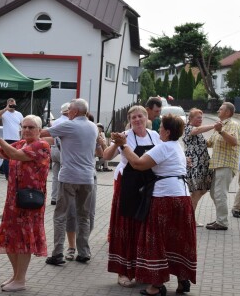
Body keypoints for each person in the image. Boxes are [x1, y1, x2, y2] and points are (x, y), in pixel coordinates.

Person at [113, 113, 196, 296]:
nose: (158, 131)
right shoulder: (177, 147)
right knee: (179, 239)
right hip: (183, 197)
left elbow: (137, 164)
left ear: (167, 132)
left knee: (157, 240)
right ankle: (183, 280)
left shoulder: (164, 147)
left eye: (161, 128)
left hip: (164, 197)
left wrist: (123, 145)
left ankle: (156, 286)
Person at [0, 115, 50, 292]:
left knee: (24, 239)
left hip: (29, 203)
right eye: (25, 127)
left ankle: (21, 279)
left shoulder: (41, 145)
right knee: (12, 238)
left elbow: (13, 154)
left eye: (31, 127)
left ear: (39, 130)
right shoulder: (22, 143)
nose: (27, 130)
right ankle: (16, 276)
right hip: (14, 201)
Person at [102, 105, 161, 287]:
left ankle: (142, 270)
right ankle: (123, 272)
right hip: (128, 185)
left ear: (146, 117)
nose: (137, 120)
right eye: (133, 117)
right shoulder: (124, 136)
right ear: (129, 120)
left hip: (149, 185)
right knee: (126, 227)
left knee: (144, 228)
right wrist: (116, 144)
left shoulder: (155, 135)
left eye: (139, 116)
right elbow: (106, 155)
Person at [42, 98, 98, 265]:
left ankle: (58, 253)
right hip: (88, 178)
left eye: (69, 111)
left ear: (74, 112)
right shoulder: (93, 126)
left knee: (60, 215)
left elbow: (45, 133)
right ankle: (84, 252)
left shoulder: (70, 125)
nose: (67, 114)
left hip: (69, 177)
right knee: (84, 216)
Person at [206, 102, 240, 230]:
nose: (218, 111)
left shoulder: (233, 124)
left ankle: (222, 222)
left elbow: (234, 141)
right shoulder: (219, 126)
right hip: (217, 164)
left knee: (220, 194)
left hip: (226, 164)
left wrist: (221, 131)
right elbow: (209, 143)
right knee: (214, 193)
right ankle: (220, 218)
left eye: (220, 109)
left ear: (227, 112)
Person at [183, 108, 214, 225]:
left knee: (202, 190)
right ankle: (189, 219)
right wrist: (214, 126)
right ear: (190, 118)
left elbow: (204, 143)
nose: (200, 119)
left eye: (201, 117)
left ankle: (188, 216)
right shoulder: (188, 128)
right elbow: (197, 130)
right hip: (195, 165)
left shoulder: (198, 131)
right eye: (198, 117)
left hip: (203, 164)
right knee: (196, 192)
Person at [0, 98, 23, 179]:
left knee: (16, 157)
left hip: (17, 139)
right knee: (7, 157)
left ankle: (13, 174)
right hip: (7, 138)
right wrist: (6, 109)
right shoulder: (5, 113)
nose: (12, 106)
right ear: (7, 104)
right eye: (10, 104)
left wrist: (22, 137)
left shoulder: (19, 114)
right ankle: (8, 176)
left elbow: (22, 125)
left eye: (13, 104)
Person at [50, 102, 70, 205]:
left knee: (55, 175)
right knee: (64, 175)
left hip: (53, 149)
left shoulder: (56, 121)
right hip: (63, 150)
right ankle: (62, 198)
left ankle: (54, 197)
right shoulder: (68, 122)